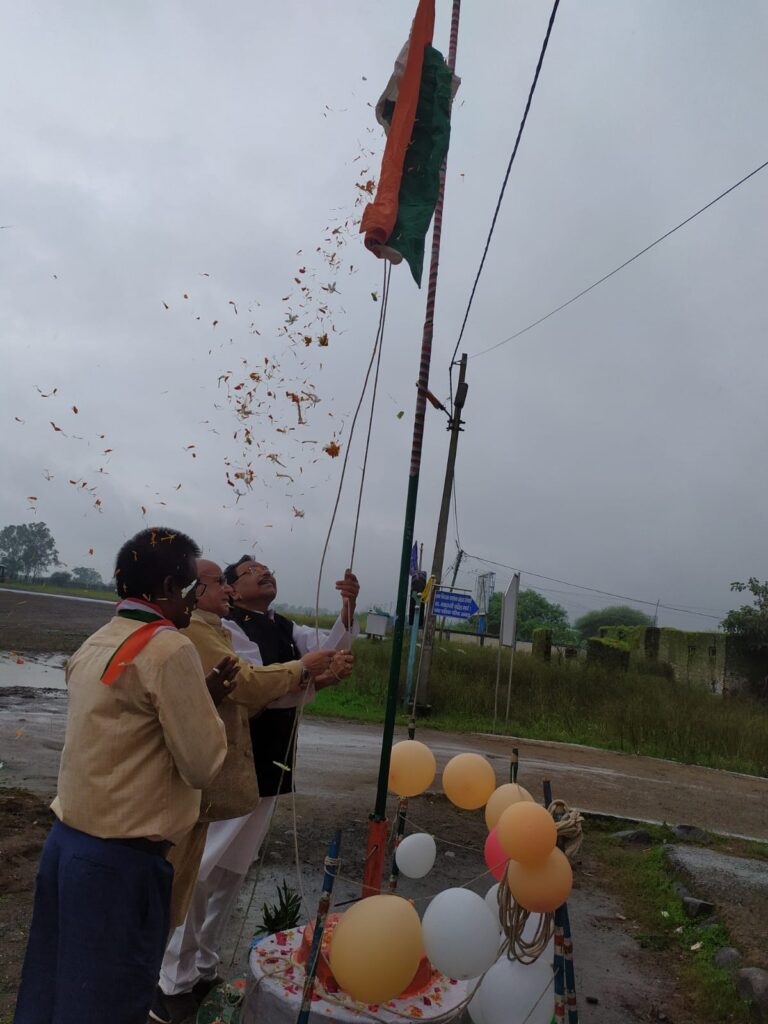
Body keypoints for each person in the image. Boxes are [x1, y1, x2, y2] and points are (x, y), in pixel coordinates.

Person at [14, 527, 238, 1024]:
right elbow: (201, 764)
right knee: (109, 999)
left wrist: (196, 700)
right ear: (165, 587)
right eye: (192, 589)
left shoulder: (99, 640)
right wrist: (207, 708)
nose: (194, 602)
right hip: (121, 863)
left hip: (68, 847)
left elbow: (128, 730)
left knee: (59, 986)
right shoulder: (169, 648)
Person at [155, 557, 357, 1013]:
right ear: (229, 587)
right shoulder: (227, 629)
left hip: (270, 761)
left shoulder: (279, 624)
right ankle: (172, 977)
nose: (265, 573)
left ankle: (203, 967)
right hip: (233, 762)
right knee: (203, 869)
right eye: (251, 571)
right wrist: (312, 674)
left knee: (233, 871)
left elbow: (316, 656)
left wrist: (346, 612)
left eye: (269, 567)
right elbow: (258, 688)